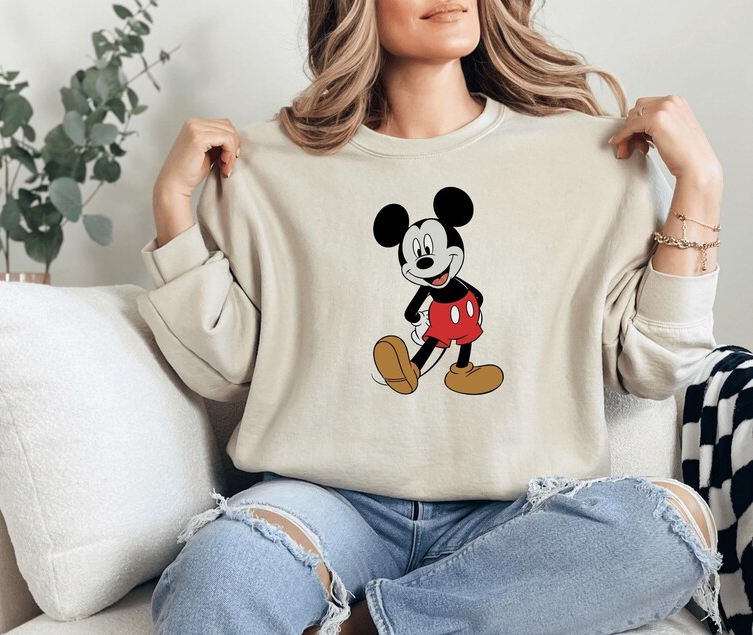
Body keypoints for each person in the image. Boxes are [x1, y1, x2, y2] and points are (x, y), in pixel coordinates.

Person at [137, 1, 726, 633]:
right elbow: (221, 370)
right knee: (222, 577)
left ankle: (366, 628)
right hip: (323, 504)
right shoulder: (268, 164)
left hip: (519, 518)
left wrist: (699, 183)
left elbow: (653, 367)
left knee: (671, 527)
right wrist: (173, 205)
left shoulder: (588, 159)